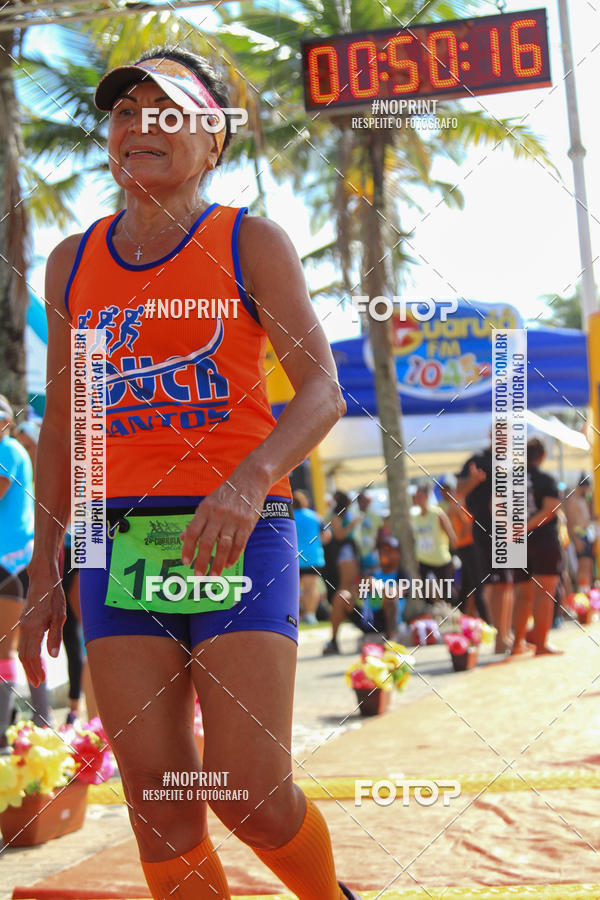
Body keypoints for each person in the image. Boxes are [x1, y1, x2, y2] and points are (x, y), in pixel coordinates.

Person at [19, 48, 360, 900]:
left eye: (167, 113)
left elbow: (323, 390)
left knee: (249, 795)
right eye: (125, 114)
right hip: (113, 541)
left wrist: (249, 481)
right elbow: (67, 424)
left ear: (213, 138)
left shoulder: (250, 241)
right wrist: (43, 571)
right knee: (158, 803)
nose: (139, 128)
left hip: (239, 530)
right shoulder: (72, 260)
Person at [0, 397, 37, 747]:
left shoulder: (7, 450)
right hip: (11, 558)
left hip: (9, 561)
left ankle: (8, 733)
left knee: (7, 649)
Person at [457, 437, 514, 654]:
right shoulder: (478, 460)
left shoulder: (511, 462)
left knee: (508, 583)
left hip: (507, 529)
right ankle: (498, 638)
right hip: (487, 530)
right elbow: (459, 490)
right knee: (494, 583)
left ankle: (506, 635)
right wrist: (473, 480)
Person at [512, 438, 563, 655]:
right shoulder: (546, 479)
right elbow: (551, 509)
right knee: (544, 593)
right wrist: (526, 526)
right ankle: (541, 644)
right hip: (542, 540)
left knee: (522, 594)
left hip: (517, 542)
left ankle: (517, 645)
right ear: (542, 456)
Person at [439, 478, 489, 622]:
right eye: (443, 490)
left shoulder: (458, 501)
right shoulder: (450, 504)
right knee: (468, 583)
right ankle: (465, 616)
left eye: (447, 489)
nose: (445, 492)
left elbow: (468, 522)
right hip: (463, 547)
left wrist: (457, 537)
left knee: (476, 583)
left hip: (470, 545)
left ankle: (485, 618)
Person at [323, 491, 361, 655]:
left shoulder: (346, 514)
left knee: (353, 587)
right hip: (343, 553)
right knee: (346, 588)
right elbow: (339, 535)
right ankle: (334, 636)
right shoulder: (335, 516)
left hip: (351, 551)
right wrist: (352, 525)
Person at [409, 483, 456, 596]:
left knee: (447, 594)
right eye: (416, 497)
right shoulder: (414, 517)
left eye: (421, 496)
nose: (418, 499)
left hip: (441, 561)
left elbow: (451, 536)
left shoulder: (437, 513)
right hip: (423, 561)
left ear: (427, 497)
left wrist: (454, 557)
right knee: (426, 594)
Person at [293, 490, 330, 625]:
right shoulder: (315, 516)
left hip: (294, 557)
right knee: (311, 588)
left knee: (293, 589)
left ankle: (294, 616)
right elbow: (327, 536)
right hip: (312, 557)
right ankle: (310, 615)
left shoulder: (289, 517)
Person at [564, 474, 596, 591]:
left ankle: (587, 593)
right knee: (582, 567)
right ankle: (582, 595)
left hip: (587, 534)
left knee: (588, 567)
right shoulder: (572, 500)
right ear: (582, 487)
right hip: (579, 536)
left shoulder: (584, 499)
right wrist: (576, 540)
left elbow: (590, 517)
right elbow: (571, 522)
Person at [352, 491, 383, 574]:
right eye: (360, 501)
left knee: (374, 575)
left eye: (364, 501)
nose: (362, 503)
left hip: (371, 551)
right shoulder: (355, 514)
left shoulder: (374, 515)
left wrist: (377, 546)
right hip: (358, 552)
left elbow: (380, 530)